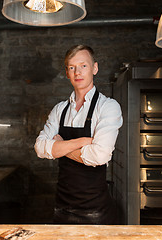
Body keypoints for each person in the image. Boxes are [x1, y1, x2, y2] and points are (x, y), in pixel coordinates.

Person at [34, 45, 123, 224]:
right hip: (62, 208)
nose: (77, 72)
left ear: (94, 68)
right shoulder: (59, 110)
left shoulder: (108, 106)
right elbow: (40, 148)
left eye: (83, 65)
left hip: (96, 212)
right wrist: (82, 141)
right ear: (67, 72)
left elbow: (99, 156)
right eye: (72, 67)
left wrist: (60, 147)